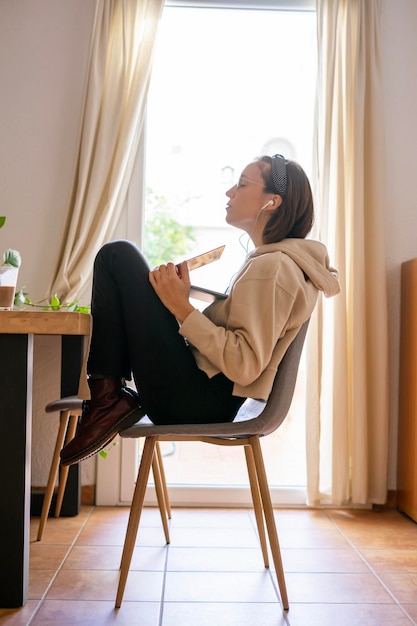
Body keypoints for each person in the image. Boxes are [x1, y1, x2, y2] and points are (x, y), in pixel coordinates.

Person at [60, 154, 340, 467]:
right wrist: (176, 303)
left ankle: (106, 401)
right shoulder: (275, 262)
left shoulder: (273, 267)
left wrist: (181, 308)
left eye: (242, 184)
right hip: (202, 397)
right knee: (122, 262)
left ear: (271, 202)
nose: (229, 192)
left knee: (117, 256)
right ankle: (107, 401)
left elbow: (244, 365)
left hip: (198, 401)